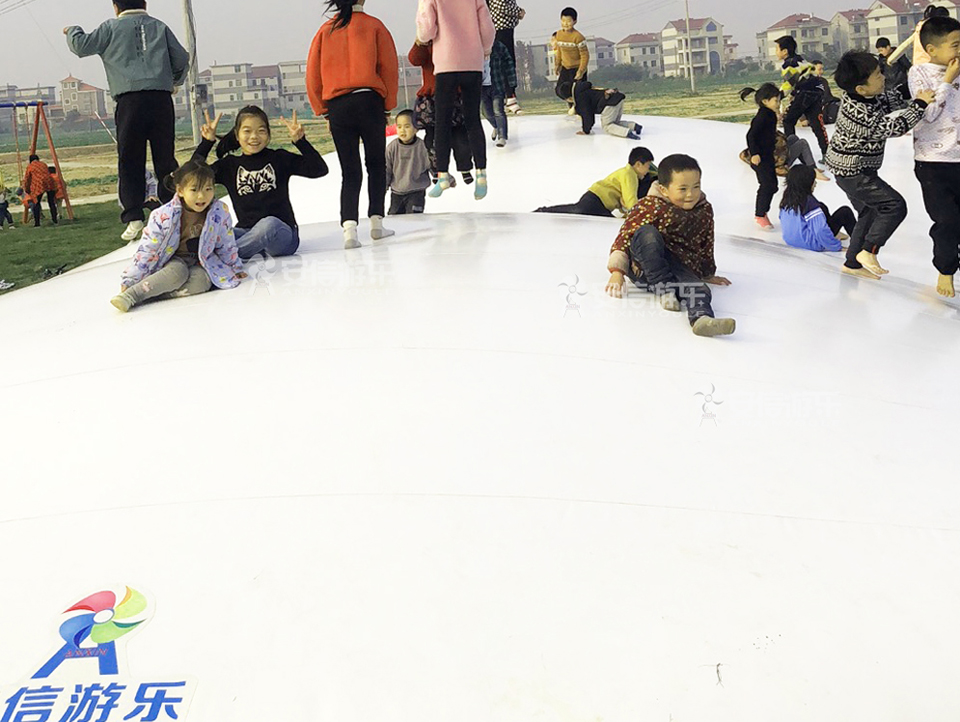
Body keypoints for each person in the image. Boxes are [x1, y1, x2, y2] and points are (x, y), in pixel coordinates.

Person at [64, 0, 188, 241]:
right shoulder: (159, 26)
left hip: (129, 101)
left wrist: (72, 30)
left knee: (130, 158)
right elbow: (182, 58)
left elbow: (81, 46)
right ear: (145, 3)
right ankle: (172, 207)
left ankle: (133, 216)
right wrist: (173, 81)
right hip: (160, 99)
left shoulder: (110, 28)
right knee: (165, 157)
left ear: (115, 6)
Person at [825, 51, 934, 279]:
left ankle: (852, 264)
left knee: (869, 211)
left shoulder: (865, 96)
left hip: (853, 168)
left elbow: (891, 98)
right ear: (861, 88)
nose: (883, 77)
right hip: (852, 171)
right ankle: (869, 251)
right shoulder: (858, 114)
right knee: (894, 206)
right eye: (877, 75)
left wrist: (914, 89)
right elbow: (895, 127)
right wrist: (920, 105)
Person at [604, 154, 736, 338]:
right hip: (645, 267)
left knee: (698, 288)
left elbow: (706, 240)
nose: (690, 194)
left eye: (696, 187)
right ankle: (664, 289)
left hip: (678, 267)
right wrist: (618, 272)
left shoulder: (704, 209)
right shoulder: (649, 206)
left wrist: (707, 273)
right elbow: (626, 235)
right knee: (647, 234)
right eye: (683, 189)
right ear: (664, 190)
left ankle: (702, 320)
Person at [308, 0, 399, 249]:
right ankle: (377, 224)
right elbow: (389, 68)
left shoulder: (325, 31)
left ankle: (349, 229)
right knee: (376, 164)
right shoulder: (375, 26)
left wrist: (324, 110)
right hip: (369, 101)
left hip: (338, 107)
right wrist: (388, 105)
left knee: (350, 170)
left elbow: (313, 74)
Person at [110, 160, 246, 313]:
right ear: (180, 190)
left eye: (208, 189)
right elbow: (148, 250)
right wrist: (130, 279)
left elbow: (226, 243)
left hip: (200, 261)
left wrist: (235, 267)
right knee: (178, 272)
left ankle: (154, 294)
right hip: (172, 260)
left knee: (202, 282)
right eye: (194, 190)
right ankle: (132, 295)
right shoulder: (163, 216)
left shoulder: (219, 213)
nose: (202, 196)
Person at [193, 106, 328, 260]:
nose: (254, 136)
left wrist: (300, 141)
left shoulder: (279, 158)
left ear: (268, 135)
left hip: (282, 235)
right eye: (247, 131)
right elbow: (193, 176)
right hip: (247, 233)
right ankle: (213, 253)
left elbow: (319, 169)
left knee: (269, 224)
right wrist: (206, 143)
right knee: (213, 230)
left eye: (261, 131)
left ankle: (225, 256)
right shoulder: (228, 166)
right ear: (237, 135)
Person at [417, 0, 496, 200]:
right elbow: (487, 25)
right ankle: (481, 175)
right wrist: (485, 49)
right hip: (473, 62)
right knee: (472, 120)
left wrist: (421, 35)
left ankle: (442, 175)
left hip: (446, 63)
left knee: (442, 122)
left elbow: (427, 30)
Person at [908, 15, 960, 298]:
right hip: (934, 163)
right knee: (948, 220)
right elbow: (926, 114)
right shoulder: (920, 74)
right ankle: (946, 269)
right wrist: (948, 81)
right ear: (932, 49)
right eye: (955, 45)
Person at [742, 84, 828, 231]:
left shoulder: (768, 114)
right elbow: (751, 135)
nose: (778, 103)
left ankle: (762, 213)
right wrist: (754, 153)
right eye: (775, 101)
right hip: (761, 158)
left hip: (767, 156)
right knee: (767, 185)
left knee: (772, 185)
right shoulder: (763, 116)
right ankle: (760, 215)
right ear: (765, 101)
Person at [408, 41, 475, 187]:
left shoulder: (452, 41)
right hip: (432, 97)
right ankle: (437, 170)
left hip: (454, 96)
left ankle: (465, 167)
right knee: (432, 141)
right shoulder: (426, 45)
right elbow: (414, 59)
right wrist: (420, 41)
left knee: (461, 139)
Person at [535, 146, 655, 216]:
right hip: (597, 199)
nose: (648, 169)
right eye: (648, 165)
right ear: (638, 164)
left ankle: (545, 211)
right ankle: (544, 211)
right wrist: (641, 215)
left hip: (601, 203)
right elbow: (630, 201)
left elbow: (624, 200)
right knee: (578, 210)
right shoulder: (629, 174)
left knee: (579, 211)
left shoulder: (629, 173)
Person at [775, 35, 829, 161]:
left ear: (785, 51)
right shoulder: (800, 60)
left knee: (788, 121)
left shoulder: (789, 64)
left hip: (805, 93)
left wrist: (777, 97)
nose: (776, 52)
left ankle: (791, 152)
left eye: (777, 49)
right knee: (817, 125)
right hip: (817, 92)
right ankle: (827, 154)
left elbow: (788, 85)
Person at [779, 165, 855, 252]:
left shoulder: (787, 199)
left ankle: (835, 234)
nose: (815, 183)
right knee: (845, 212)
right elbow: (820, 230)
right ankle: (860, 244)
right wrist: (835, 246)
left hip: (791, 241)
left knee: (821, 207)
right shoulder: (809, 203)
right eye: (813, 180)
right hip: (812, 244)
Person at [386, 110, 432, 215]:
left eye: (407, 126)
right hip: (397, 193)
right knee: (394, 219)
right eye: (399, 126)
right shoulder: (392, 148)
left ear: (416, 128)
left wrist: (443, 178)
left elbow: (432, 165)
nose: (403, 130)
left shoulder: (422, 147)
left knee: (413, 219)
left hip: (416, 192)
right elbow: (387, 169)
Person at [485, 0, 525, 114]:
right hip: (499, 29)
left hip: (506, 28)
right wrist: (518, 12)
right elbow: (501, 6)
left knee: (507, 62)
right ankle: (508, 96)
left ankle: (507, 96)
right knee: (505, 63)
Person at [572, 80, 641, 139]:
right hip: (618, 98)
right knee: (614, 123)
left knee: (607, 126)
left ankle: (627, 133)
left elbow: (587, 115)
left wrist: (586, 130)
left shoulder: (581, 98)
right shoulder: (586, 90)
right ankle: (634, 126)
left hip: (610, 103)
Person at [554, 7, 589, 114]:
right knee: (560, 90)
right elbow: (559, 50)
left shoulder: (578, 37)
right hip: (566, 68)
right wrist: (557, 65)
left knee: (578, 92)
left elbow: (585, 55)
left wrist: (581, 71)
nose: (565, 23)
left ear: (574, 22)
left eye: (568, 21)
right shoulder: (559, 34)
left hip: (577, 68)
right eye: (563, 21)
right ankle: (573, 105)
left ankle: (579, 112)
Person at [482, 41, 515, 147]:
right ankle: (496, 126)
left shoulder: (499, 47)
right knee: (485, 111)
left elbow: (509, 62)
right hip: (481, 86)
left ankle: (502, 137)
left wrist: (511, 83)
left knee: (498, 111)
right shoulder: (475, 45)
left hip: (497, 84)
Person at [21, 155, 58, 228]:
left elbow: (27, 179)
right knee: (51, 202)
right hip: (49, 182)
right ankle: (55, 219)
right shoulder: (43, 164)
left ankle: (37, 223)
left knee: (36, 203)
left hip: (38, 185)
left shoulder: (30, 166)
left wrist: (27, 189)